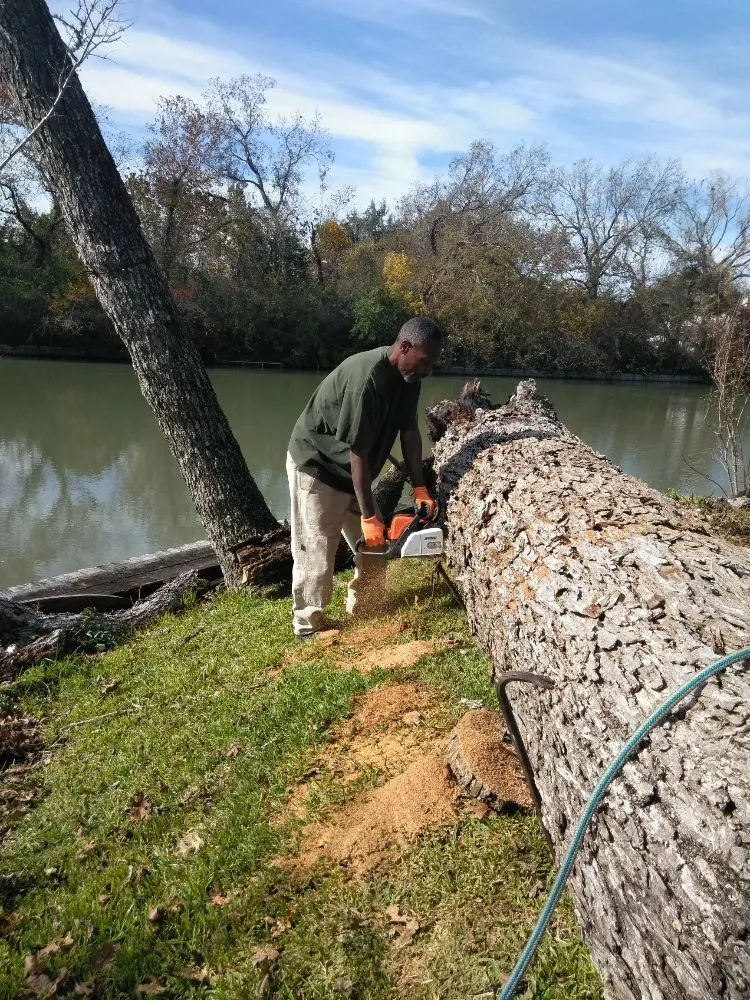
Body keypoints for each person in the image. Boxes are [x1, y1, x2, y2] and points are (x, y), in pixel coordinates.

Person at [286, 317, 443, 638]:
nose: (428, 370)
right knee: (317, 546)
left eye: (432, 365)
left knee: (375, 543)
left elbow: (410, 432)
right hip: (319, 465)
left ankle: (366, 607)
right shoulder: (366, 381)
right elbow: (357, 453)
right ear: (404, 347)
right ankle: (307, 625)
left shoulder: (409, 378)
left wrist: (420, 487)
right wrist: (369, 515)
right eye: (425, 361)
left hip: (353, 470)